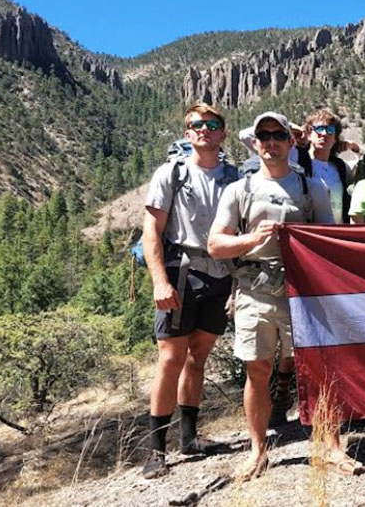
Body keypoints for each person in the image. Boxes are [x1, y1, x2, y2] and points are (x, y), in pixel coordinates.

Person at [208, 111, 363, 477]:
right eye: (265, 135)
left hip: (302, 293)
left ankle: (332, 447)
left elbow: (330, 241)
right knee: (257, 369)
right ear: (255, 142)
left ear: (291, 142)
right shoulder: (239, 190)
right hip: (254, 292)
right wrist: (252, 239)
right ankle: (258, 451)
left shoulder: (312, 188)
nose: (272, 141)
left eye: (279, 135)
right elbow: (215, 244)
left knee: (319, 369)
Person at [141, 102, 240, 479]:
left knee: (199, 355)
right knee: (170, 358)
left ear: (222, 134)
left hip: (220, 275)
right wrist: (159, 282)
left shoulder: (234, 177)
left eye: (212, 125)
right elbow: (152, 230)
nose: (204, 130)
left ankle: (189, 438)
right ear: (188, 134)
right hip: (181, 274)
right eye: (197, 125)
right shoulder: (171, 173)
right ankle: (155, 451)